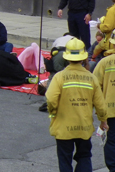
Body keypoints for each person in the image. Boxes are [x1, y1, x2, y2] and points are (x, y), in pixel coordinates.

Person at [46, 38, 108, 172]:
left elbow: (51, 99)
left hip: (63, 128)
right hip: (84, 127)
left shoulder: (59, 77)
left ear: (66, 57)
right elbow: (100, 105)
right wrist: (103, 121)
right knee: (84, 156)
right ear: (84, 57)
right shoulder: (91, 78)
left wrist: (53, 112)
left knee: (64, 159)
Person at [93, 32, 115, 172]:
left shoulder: (105, 62)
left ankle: (113, 167)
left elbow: (95, 86)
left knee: (112, 140)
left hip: (110, 109)